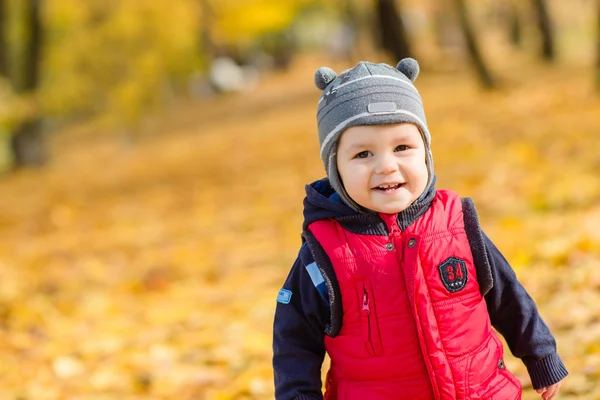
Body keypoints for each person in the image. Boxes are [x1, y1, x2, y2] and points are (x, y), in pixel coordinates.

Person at [272, 58, 568, 400]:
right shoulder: (325, 252)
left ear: (425, 154)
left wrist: (540, 354)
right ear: (334, 169)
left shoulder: (457, 223)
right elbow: (294, 339)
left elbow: (509, 296)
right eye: (363, 154)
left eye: (402, 148)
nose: (386, 166)